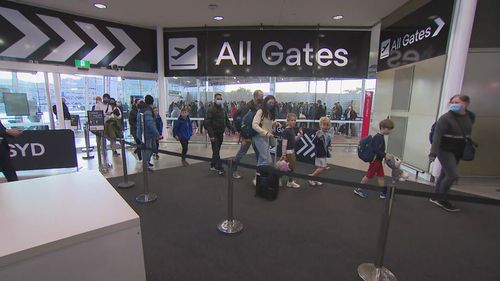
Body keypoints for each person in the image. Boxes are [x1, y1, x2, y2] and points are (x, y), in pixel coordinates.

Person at [429, 95, 475, 212]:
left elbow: (467, 131)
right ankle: (442, 199)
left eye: (457, 102)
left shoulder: (470, 116)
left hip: (458, 148)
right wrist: (433, 153)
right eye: (452, 102)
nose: (454, 104)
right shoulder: (445, 118)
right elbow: (437, 136)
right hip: (444, 149)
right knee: (452, 175)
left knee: (445, 173)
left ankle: (436, 196)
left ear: (466, 104)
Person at [354, 119, 394, 199]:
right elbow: (375, 149)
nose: (389, 131)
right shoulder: (378, 137)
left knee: (381, 176)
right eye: (388, 129)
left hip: (378, 160)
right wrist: (385, 155)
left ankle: (383, 192)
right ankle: (359, 188)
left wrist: (384, 155)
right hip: (375, 161)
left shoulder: (379, 137)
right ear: (383, 128)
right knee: (369, 175)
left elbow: (378, 149)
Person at [232, 89, 264, 179]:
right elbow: (241, 122)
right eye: (260, 96)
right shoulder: (247, 107)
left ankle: (258, 174)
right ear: (255, 96)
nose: (262, 98)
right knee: (241, 153)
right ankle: (234, 169)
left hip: (256, 134)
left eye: (262, 96)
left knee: (259, 154)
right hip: (247, 135)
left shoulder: (260, 107)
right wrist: (244, 135)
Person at [205, 93, 230, 175]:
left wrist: (234, 129)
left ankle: (213, 165)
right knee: (216, 151)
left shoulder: (223, 109)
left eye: (220, 99)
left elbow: (226, 121)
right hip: (214, 134)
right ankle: (220, 167)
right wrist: (211, 135)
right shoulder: (211, 109)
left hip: (220, 134)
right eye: (218, 98)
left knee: (216, 150)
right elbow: (207, 123)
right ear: (214, 99)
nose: (219, 100)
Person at [252, 95, 278, 168]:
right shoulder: (260, 111)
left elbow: (265, 123)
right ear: (266, 102)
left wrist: (274, 123)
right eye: (270, 102)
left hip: (266, 138)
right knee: (267, 159)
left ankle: (258, 177)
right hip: (259, 137)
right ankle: (261, 176)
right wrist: (266, 133)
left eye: (273, 103)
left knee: (262, 159)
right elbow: (254, 125)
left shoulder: (269, 112)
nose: (271, 105)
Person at [137, 95, 160, 170]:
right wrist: (157, 134)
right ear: (152, 102)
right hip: (147, 134)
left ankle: (147, 162)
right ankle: (145, 165)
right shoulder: (147, 111)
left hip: (145, 134)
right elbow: (150, 124)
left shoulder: (141, 109)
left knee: (152, 148)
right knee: (149, 149)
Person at [308, 117, 333, 186]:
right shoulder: (318, 133)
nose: (325, 126)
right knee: (323, 167)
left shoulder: (328, 134)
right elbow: (313, 142)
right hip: (319, 153)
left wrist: (330, 146)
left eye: (327, 125)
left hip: (324, 153)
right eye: (324, 124)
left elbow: (328, 142)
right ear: (320, 125)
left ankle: (315, 179)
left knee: (320, 168)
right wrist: (317, 137)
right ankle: (311, 177)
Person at [280, 113, 303, 188]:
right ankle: (289, 182)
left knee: (285, 167)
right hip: (288, 153)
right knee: (291, 168)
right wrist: (283, 154)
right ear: (288, 121)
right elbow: (284, 143)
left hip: (292, 152)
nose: (294, 122)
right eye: (292, 120)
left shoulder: (292, 129)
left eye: (295, 120)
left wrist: (299, 136)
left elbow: (294, 139)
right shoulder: (286, 131)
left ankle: (278, 178)